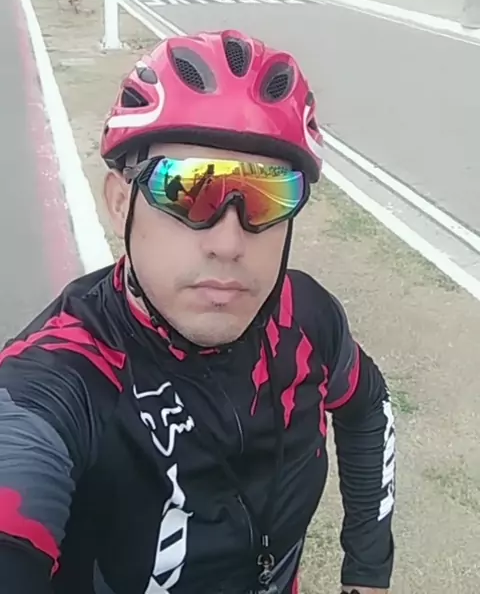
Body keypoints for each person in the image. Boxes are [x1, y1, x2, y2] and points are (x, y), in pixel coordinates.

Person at [0, 29, 395, 594]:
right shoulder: (61, 380)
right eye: (187, 190)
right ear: (120, 202)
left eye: (266, 197)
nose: (229, 243)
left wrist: (367, 571)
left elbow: (368, 407)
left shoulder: (307, 319)